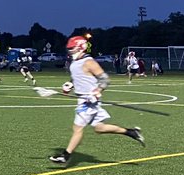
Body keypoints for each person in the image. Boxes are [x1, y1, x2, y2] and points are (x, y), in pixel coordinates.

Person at [49, 36, 145, 166]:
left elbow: (105, 79)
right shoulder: (74, 63)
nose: (70, 51)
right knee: (100, 128)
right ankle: (131, 132)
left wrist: (97, 91)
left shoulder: (89, 62)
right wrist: (70, 84)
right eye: (69, 49)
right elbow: (79, 77)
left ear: (81, 47)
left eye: (72, 48)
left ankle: (65, 156)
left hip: (89, 102)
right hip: (84, 99)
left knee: (77, 128)